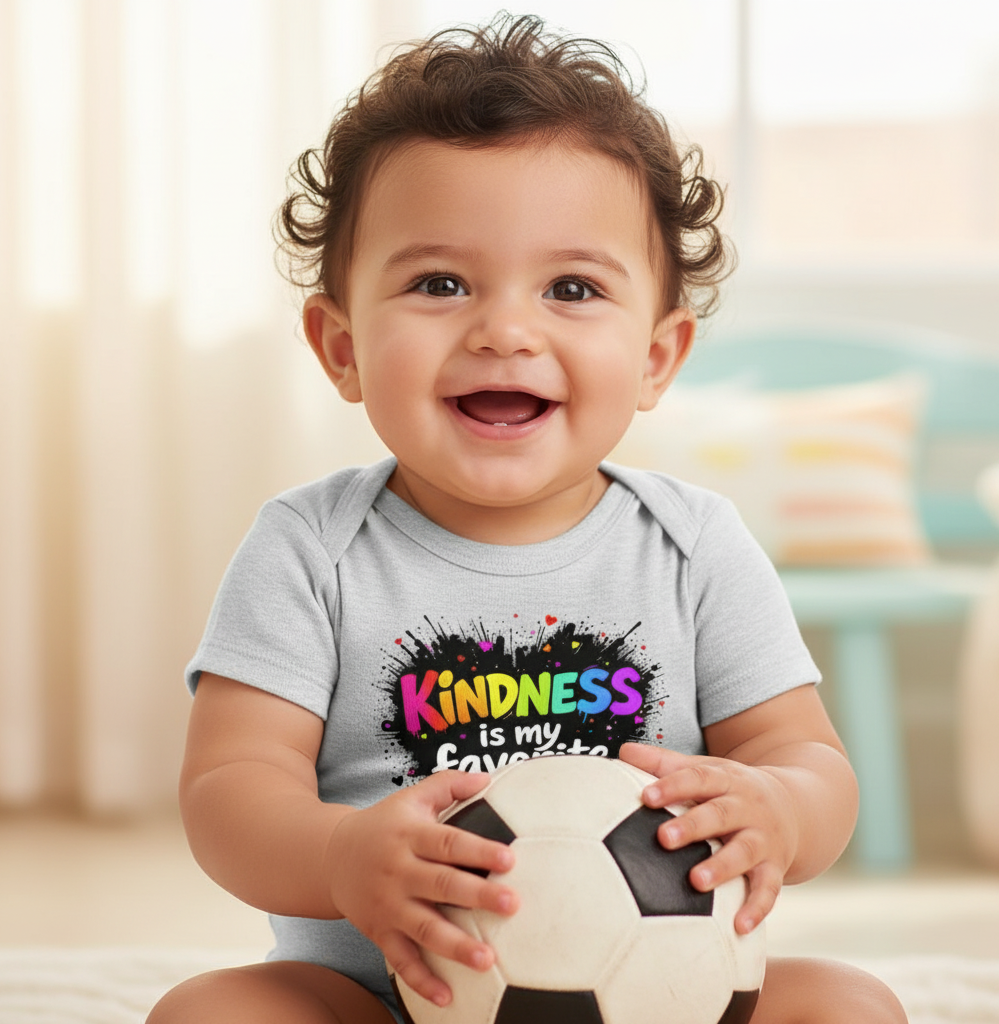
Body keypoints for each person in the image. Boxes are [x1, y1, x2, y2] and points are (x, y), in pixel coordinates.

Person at [148, 15, 907, 1024]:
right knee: (207, 1013)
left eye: (572, 288)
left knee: (852, 1005)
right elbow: (229, 791)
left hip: (663, 998)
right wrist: (339, 853)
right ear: (339, 347)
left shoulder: (694, 545)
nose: (505, 329)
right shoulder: (308, 548)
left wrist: (782, 808)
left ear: (655, 356)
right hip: (381, 995)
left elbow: (806, 756)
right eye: (439, 283)